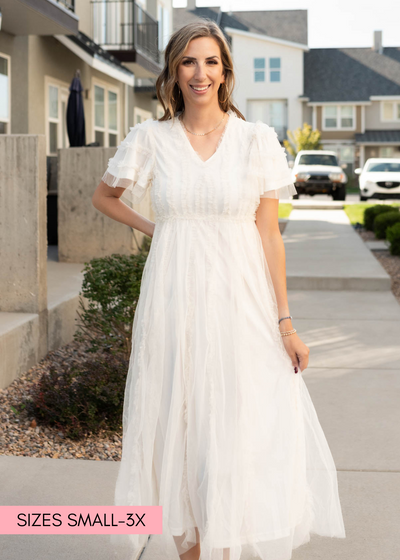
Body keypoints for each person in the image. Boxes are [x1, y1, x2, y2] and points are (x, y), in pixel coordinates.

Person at [91, 20, 346, 560]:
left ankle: (226, 545)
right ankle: (191, 550)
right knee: (180, 431)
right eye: (188, 61)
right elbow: (105, 196)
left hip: (242, 303)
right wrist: (163, 231)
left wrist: (285, 322)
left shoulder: (255, 141)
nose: (200, 73)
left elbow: (269, 236)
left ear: (225, 72)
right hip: (174, 301)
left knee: (238, 431)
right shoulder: (150, 139)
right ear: (173, 72)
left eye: (210, 62)